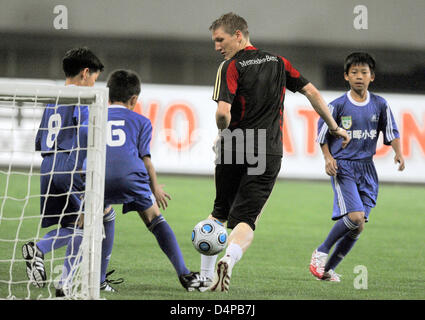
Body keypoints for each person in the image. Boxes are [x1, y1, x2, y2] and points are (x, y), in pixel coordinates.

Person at [201, 12, 351, 292]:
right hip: (266, 149)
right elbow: (312, 93)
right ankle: (229, 262)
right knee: (247, 219)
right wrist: (333, 127)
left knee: (218, 213)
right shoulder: (279, 62)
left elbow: (223, 112)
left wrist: (223, 134)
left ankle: (205, 275)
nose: (217, 47)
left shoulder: (231, 66)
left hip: (234, 145)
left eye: (220, 40)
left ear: (238, 35)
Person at [57, 69, 209, 296]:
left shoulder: (91, 119)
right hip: (132, 177)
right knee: (154, 218)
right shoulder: (141, 121)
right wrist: (154, 188)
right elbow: (146, 160)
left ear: (107, 95)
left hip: (98, 177)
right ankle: (184, 273)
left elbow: (79, 163)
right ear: (135, 99)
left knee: (86, 223)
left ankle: (64, 281)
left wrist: (82, 194)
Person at [309, 52, 405, 282]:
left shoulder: (380, 104)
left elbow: (392, 132)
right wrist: (328, 158)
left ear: (372, 76)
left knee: (358, 227)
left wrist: (399, 153)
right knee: (355, 216)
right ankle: (321, 251)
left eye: (364, 72)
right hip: (344, 167)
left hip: (367, 169)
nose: (359, 76)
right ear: (346, 76)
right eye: (354, 72)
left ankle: (327, 270)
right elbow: (322, 134)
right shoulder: (338, 105)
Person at [22, 47, 105, 289]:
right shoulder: (81, 97)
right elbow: (85, 130)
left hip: (47, 167)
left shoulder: (52, 99)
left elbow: (39, 140)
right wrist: (84, 166)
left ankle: (64, 286)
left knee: (73, 225)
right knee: (91, 226)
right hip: (69, 165)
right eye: (93, 80)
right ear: (85, 73)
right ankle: (41, 250)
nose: (92, 86)